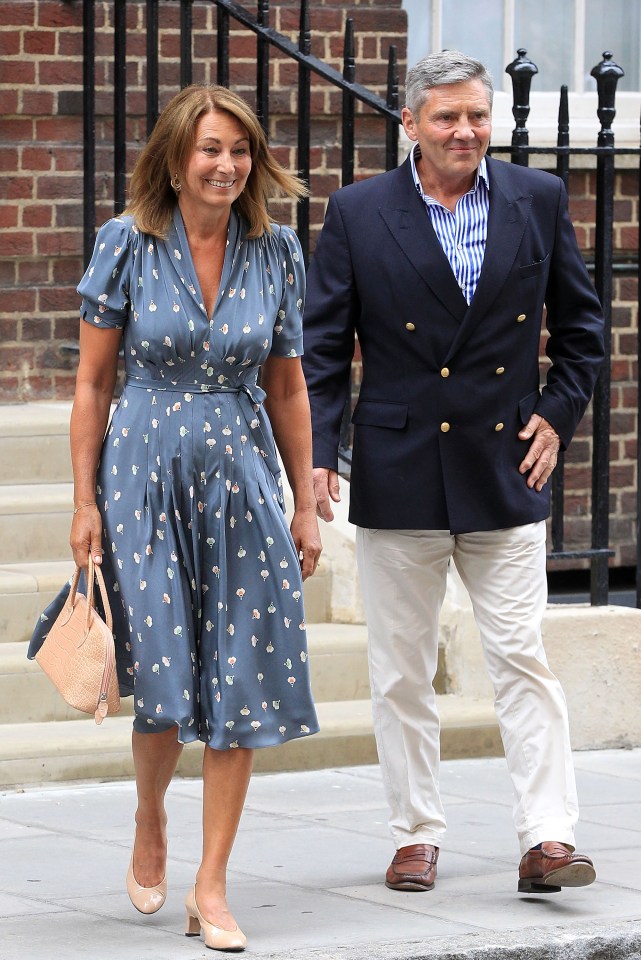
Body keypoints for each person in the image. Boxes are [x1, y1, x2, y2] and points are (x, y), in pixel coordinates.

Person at [302, 51, 604, 896]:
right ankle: (415, 834)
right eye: (447, 117)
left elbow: (582, 329)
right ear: (411, 124)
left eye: (476, 115)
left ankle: (548, 838)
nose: (466, 131)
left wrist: (559, 410)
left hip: (502, 463)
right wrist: (318, 456)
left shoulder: (535, 199)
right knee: (400, 668)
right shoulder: (358, 212)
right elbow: (323, 350)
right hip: (398, 467)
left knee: (520, 657)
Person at [29, 84, 321, 951]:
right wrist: (82, 504)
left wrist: (305, 503)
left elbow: (287, 385)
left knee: (242, 674)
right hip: (142, 475)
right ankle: (150, 815)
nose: (226, 164)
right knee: (161, 679)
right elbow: (90, 384)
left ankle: (213, 883)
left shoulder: (275, 253)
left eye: (239, 149)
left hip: (240, 474)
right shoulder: (126, 243)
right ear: (174, 158)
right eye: (209, 149)